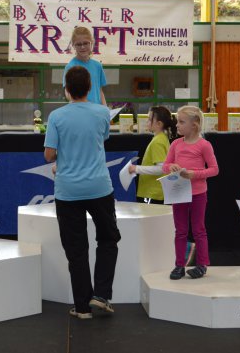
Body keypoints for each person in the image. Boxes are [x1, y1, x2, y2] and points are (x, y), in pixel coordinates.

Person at [44, 65, 121, 320]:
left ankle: (82, 307)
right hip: (99, 187)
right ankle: (101, 294)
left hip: (68, 191)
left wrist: (63, 156)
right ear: (89, 88)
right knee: (108, 240)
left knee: (76, 250)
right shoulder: (102, 113)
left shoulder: (56, 116)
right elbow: (101, 139)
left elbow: (49, 154)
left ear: (66, 89)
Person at [128, 106, 196, 266]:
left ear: (158, 123)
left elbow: (161, 168)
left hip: (152, 193)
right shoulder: (161, 139)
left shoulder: (158, 141)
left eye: (149, 119)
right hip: (154, 192)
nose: (147, 121)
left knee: (154, 228)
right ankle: (180, 250)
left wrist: (136, 169)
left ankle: (185, 248)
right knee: (159, 227)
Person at [162, 106, 219, 280]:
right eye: (177, 121)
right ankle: (179, 265)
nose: (177, 125)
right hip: (179, 193)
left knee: (198, 229)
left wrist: (194, 174)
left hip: (198, 194)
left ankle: (202, 264)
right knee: (180, 230)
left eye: (181, 122)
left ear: (194, 125)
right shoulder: (175, 144)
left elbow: (214, 169)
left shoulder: (204, 145)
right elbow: (165, 166)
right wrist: (171, 167)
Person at [63, 26, 107, 105]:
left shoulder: (98, 66)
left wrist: (105, 109)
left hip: (96, 110)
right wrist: (82, 105)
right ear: (73, 45)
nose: (82, 47)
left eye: (86, 43)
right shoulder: (70, 67)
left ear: (91, 43)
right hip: (79, 110)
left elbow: (100, 91)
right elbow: (67, 92)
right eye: (78, 44)